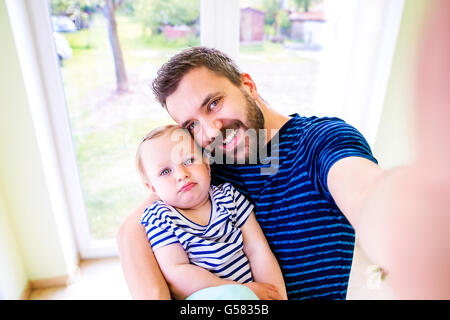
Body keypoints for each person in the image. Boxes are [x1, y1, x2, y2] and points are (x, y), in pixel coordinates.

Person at [118, 1, 450, 298]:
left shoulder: (321, 139)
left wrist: (411, 228)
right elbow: (131, 232)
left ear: (248, 85)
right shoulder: (205, 167)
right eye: (191, 124)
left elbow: (366, 194)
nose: (211, 130)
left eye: (215, 103)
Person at [135, 124, 287, 300]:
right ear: (152, 187)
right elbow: (176, 272)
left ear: (207, 164)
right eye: (165, 171)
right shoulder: (160, 217)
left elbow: (257, 249)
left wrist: (277, 295)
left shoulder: (228, 196)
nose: (181, 174)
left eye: (189, 161)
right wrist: (242, 289)